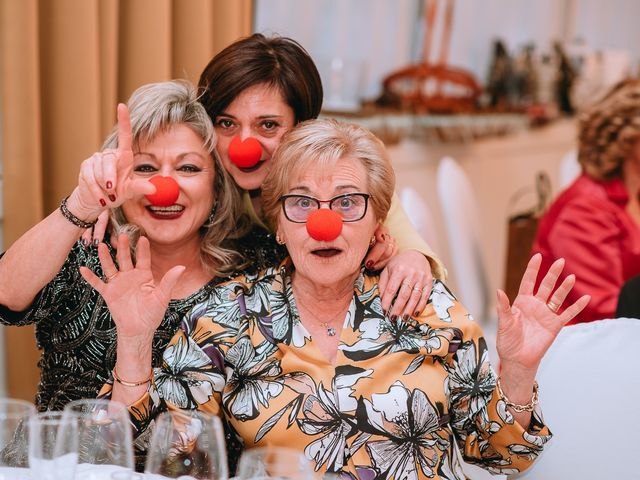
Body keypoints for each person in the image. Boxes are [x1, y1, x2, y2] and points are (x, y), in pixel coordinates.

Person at [87, 118, 589, 478]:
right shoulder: (225, 318)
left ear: (377, 223)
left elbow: (504, 457)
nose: (323, 223)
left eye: (348, 202)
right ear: (279, 225)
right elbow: (158, 462)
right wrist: (134, 343)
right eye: (302, 202)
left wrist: (518, 374)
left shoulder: (427, 306)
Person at [0, 80, 283, 411]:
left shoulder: (259, 264)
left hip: (204, 462)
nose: (163, 188)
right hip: (67, 459)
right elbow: (6, 293)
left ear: (218, 186)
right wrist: (82, 204)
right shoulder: (87, 245)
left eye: (188, 167)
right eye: (145, 167)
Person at [197, 33, 445, 319]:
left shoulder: (346, 178)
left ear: (302, 127)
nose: (245, 148)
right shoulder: (203, 178)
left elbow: (411, 248)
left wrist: (411, 259)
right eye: (227, 123)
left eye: (267, 125)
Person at [532, 79, 640, 324]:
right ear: (628, 140)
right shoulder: (583, 211)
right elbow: (608, 311)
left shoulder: (632, 195)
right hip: (576, 348)